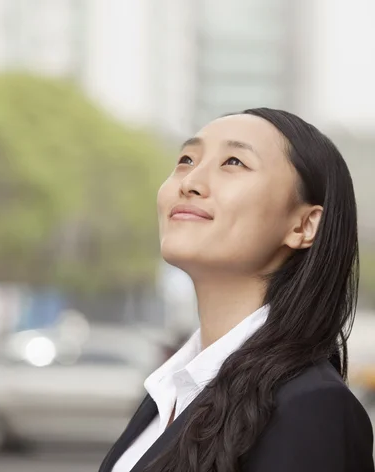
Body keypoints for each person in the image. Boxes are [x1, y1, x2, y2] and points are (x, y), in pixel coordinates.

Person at [99, 108, 374, 472]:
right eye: (185, 159)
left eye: (233, 161)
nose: (190, 181)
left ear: (304, 225)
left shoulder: (311, 407)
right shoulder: (171, 392)